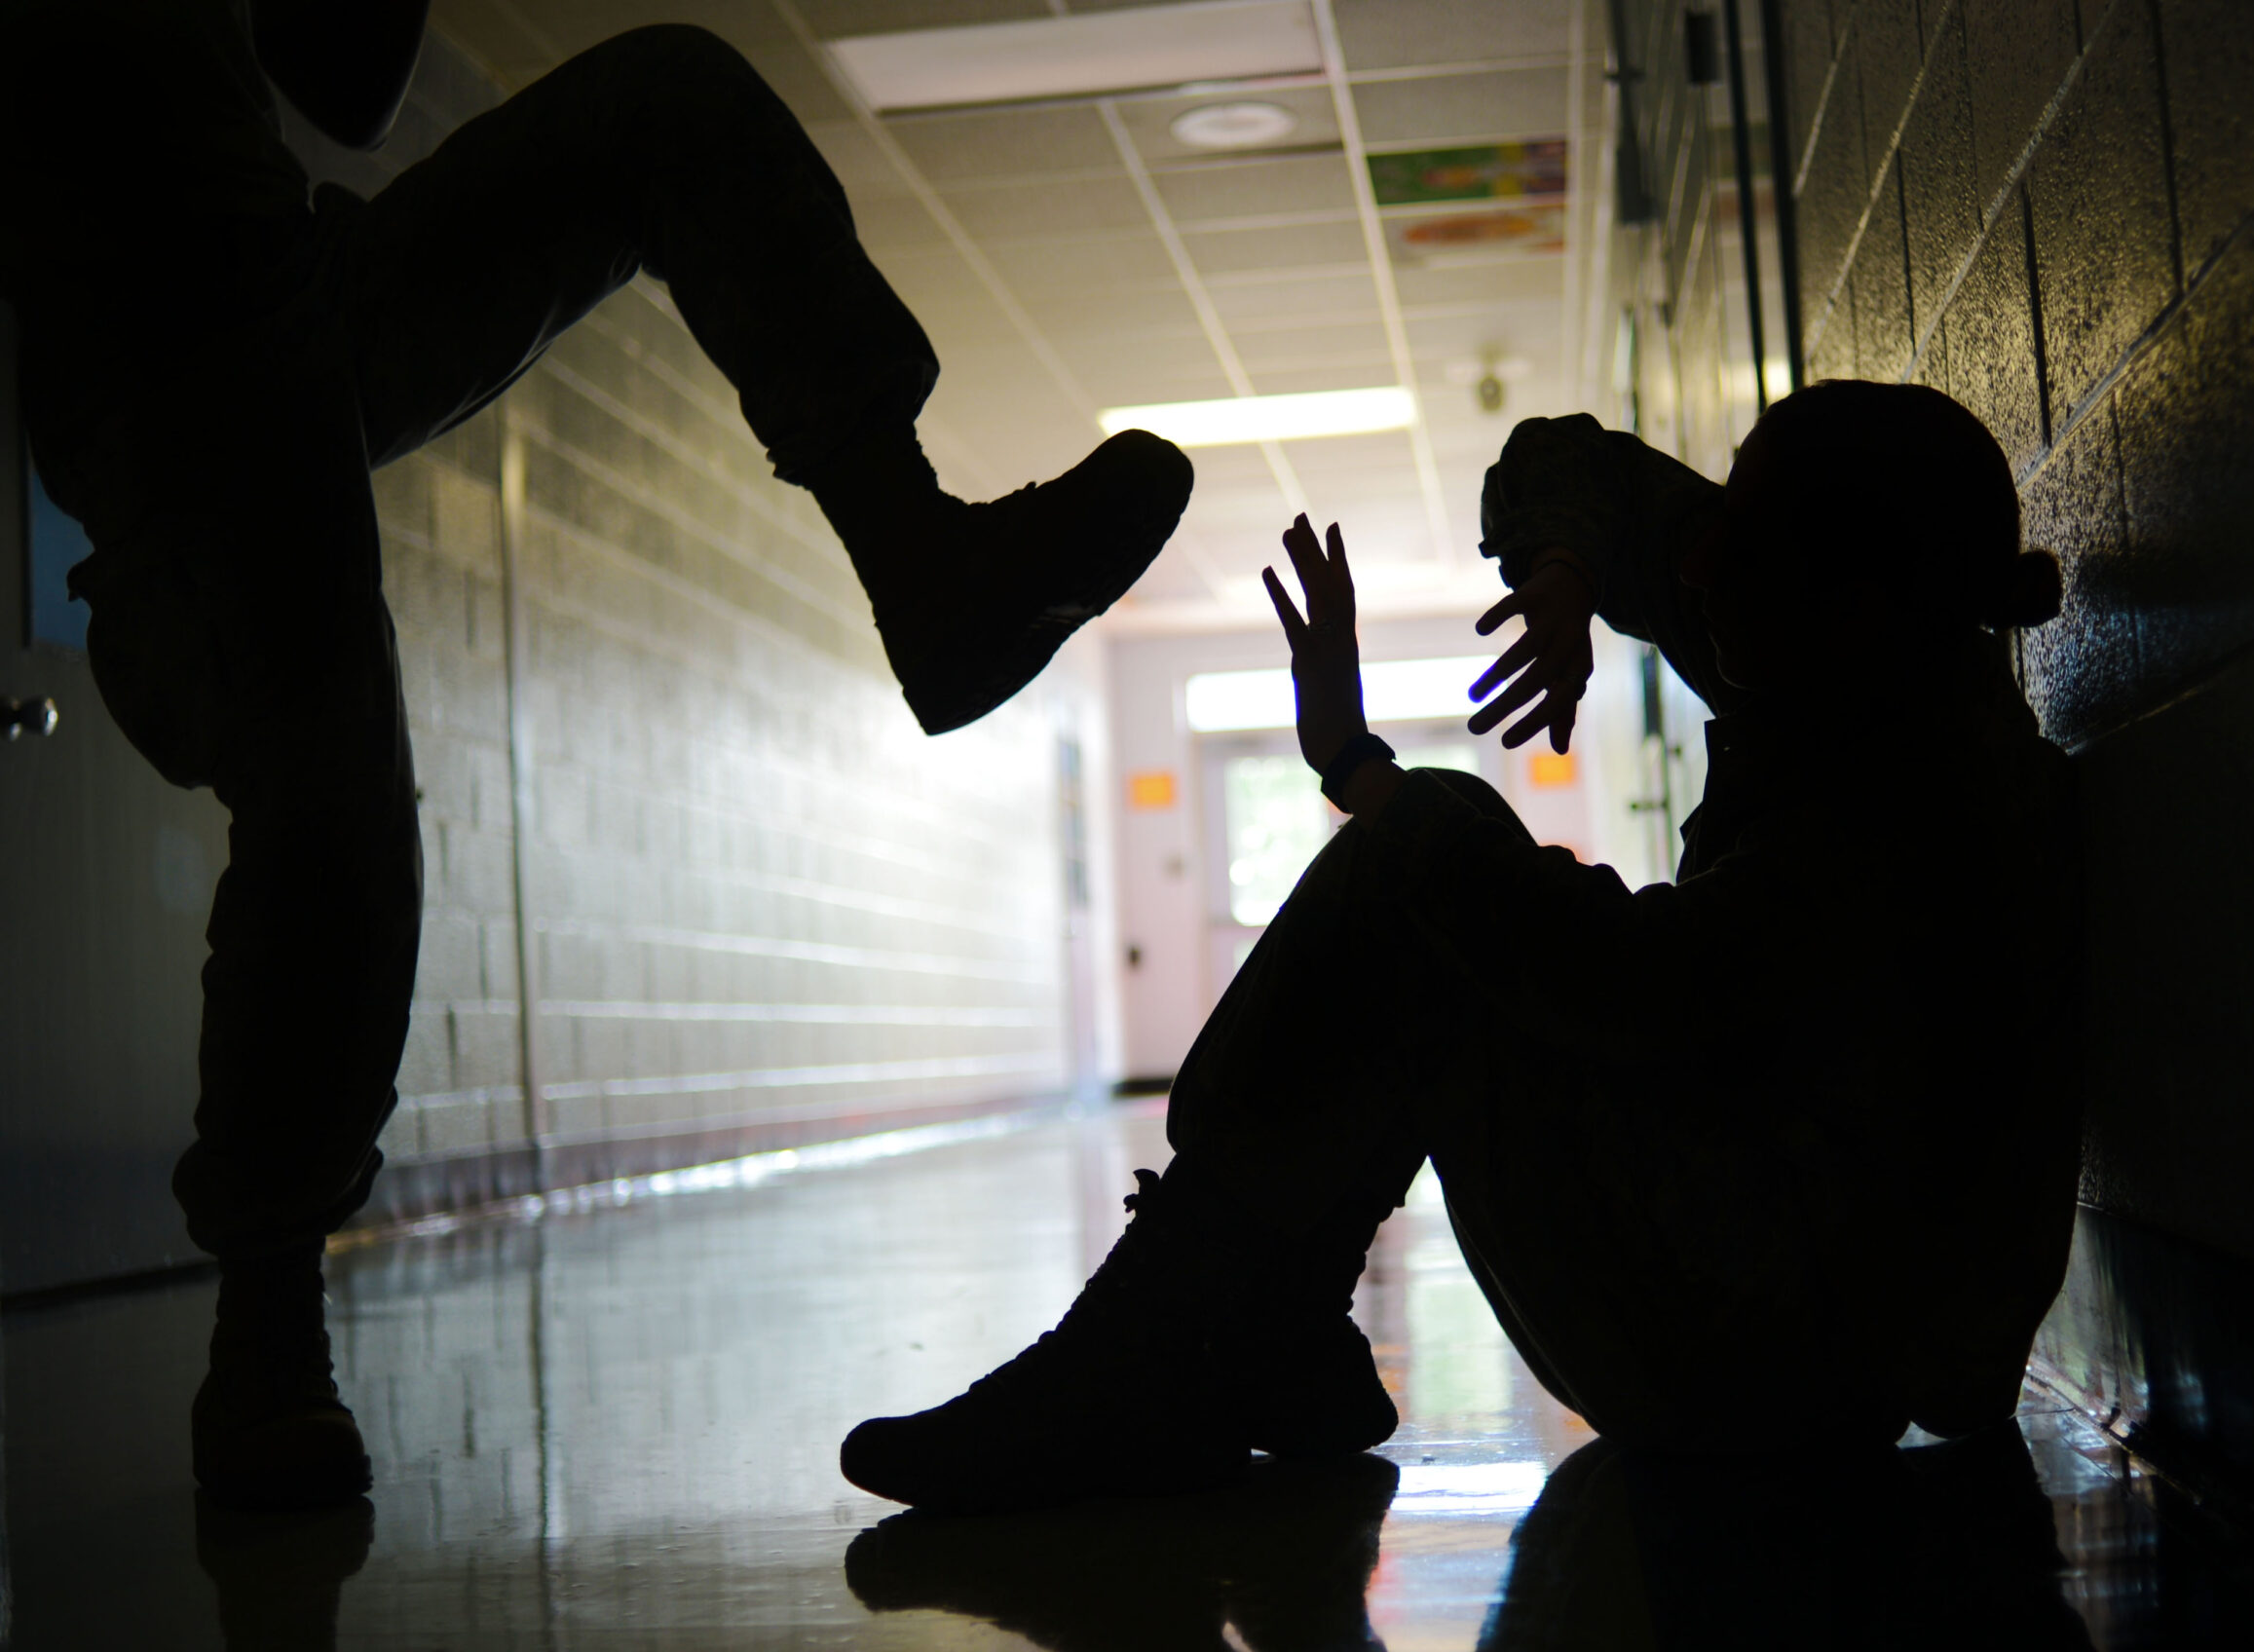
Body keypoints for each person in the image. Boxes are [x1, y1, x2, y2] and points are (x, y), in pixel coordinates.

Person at [0, 2, 1192, 1510]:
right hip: (153, 350)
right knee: (336, 798)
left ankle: (922, 567)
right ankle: (267, 1331)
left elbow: (345, 81)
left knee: (673, 106)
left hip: (288, 286)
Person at [840, 383, 2083, 1512]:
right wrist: (1561, 570)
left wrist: (1359, 770)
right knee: (1442, 851)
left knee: (1427, 857)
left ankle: (1144, 1365)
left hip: (1769, 1367)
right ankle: (1248, 1340)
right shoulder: (1841, 643)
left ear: (1855, 606)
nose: (1696, 567)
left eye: (1740, 547)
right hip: (1767, 1298)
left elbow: (1626, 984)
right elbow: (1571, 461)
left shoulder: (1925, 799)